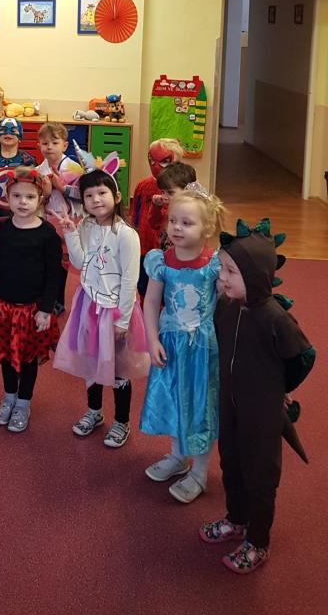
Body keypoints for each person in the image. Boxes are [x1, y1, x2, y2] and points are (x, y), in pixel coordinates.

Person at [200, 219, 316, 574]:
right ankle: (236, 519)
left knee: (260, 475)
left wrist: (282, 388)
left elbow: (303, 356)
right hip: (230, 403)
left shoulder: (275, 319)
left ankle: (258, 541)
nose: (222, 278)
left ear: (255, 276)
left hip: (261, 412)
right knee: (231, 463)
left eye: (230, 272)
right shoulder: (226, 307)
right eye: (221, 269)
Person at [54, 154, 150, 449]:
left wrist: (123, 320)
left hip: (116, 310)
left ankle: (121, 421)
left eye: (102, 193)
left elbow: (130, 280)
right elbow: (80, 263)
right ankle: (94, 411)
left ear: (116, 196)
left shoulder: (127, 235)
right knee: (90, 362)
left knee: (118, 367)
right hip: (89, 306)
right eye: (89, 195)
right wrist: (70, 233)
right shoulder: (86, 226)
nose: (96, 200)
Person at [140, 184, 226, 502]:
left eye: (187, 223)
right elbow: (151, 302)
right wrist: (152, 340)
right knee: (175, 400)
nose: (176, 228)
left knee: (201, 407)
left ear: (207, 229)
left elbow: (228, 304)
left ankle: (199, 472)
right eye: (173, 220)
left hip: (203, 351)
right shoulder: (161, 261)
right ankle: (178, 456)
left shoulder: (213, 265)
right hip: (171, 347)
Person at [0, 167, 63, 433]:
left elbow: (54, 276)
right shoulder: (2, 229)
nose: (23, 202)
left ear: (40, 198)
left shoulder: (47, 234)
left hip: (32, 311)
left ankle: (23, 403)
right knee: (6, 357)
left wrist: (46, 309)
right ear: (7, 197)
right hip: (4, 308)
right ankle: (9, 398)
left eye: (29, 197)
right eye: (16, 196)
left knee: (28, 360)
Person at [130, 138, 184, 299]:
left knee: (167, 290)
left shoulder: (182, 189)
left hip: (168, 250)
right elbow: (135, 215)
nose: (156, 166)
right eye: (152, 160)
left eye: (164, 161)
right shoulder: (142, 186)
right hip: (144, 247)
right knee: (143, 287)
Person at [35, 121, 79, 313]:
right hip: (48, 220)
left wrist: (63, 188)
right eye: (45, 143)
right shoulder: (39, 170)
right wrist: (44, 194)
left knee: (64, 262)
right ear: (39, 146)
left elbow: (84, 195)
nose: (49, 147)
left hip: (70, 221)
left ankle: (59, 298)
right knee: (48, 259)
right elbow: (35, 199)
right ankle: (48, 297)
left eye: (54, 143)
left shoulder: (74, 168)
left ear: (65, 145)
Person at [0, 118, 36, 219]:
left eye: (13, 131)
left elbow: (34, 183)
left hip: (21, 207)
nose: (8, 134)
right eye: (3, 130)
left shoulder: (27, 161)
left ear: (20, 137)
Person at [148, 161, 197, 251]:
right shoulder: (169, 209)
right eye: (162, 192)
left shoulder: (195, 214)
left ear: (188, 191)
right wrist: (156, 207)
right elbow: (154, 224)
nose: (164, 197)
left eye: (170, 193)